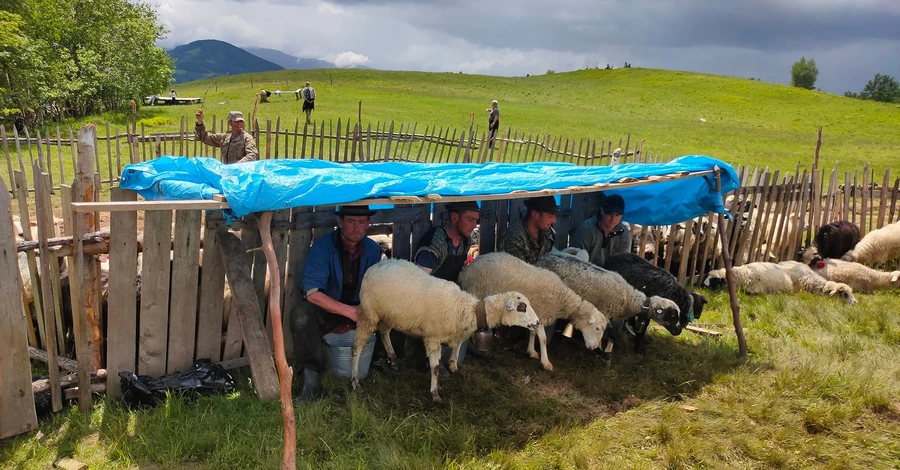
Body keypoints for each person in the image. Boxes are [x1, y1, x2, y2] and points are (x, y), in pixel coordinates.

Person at [291, 205, 383, 401]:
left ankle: (382, 361)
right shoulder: (323, 248)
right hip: (330, 308)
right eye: (350, 222)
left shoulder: (373, 249)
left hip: (360, 308)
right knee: (302, 313)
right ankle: (311, 380)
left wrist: (361, 314)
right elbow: (312, 293)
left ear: (368, 224)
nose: (356, 227)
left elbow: (377, 287)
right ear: (340, 223)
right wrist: (347, 312)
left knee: (395, 309)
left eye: (361, 222)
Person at [414, 201, 480, 282]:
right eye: (470, 220)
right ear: (454, 217)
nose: (474, 225)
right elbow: (420, 280)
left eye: (476, 221)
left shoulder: (465, 241)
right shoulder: (436, 242)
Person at [570, 193, 631, 268]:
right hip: (586, 272)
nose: (613, 219)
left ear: (622, 215)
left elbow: (624, 263)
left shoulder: (624, 233)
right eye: (610, 214)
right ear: (602, 211)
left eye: (617, 215)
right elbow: (576, 260)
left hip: (612, 275)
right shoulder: (587, 229)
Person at [498, 196, 557, 264]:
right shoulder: (513, 238)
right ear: (535, 215)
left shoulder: (546, 231)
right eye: (550, 216)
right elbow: (516, 271)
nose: (554, 220)